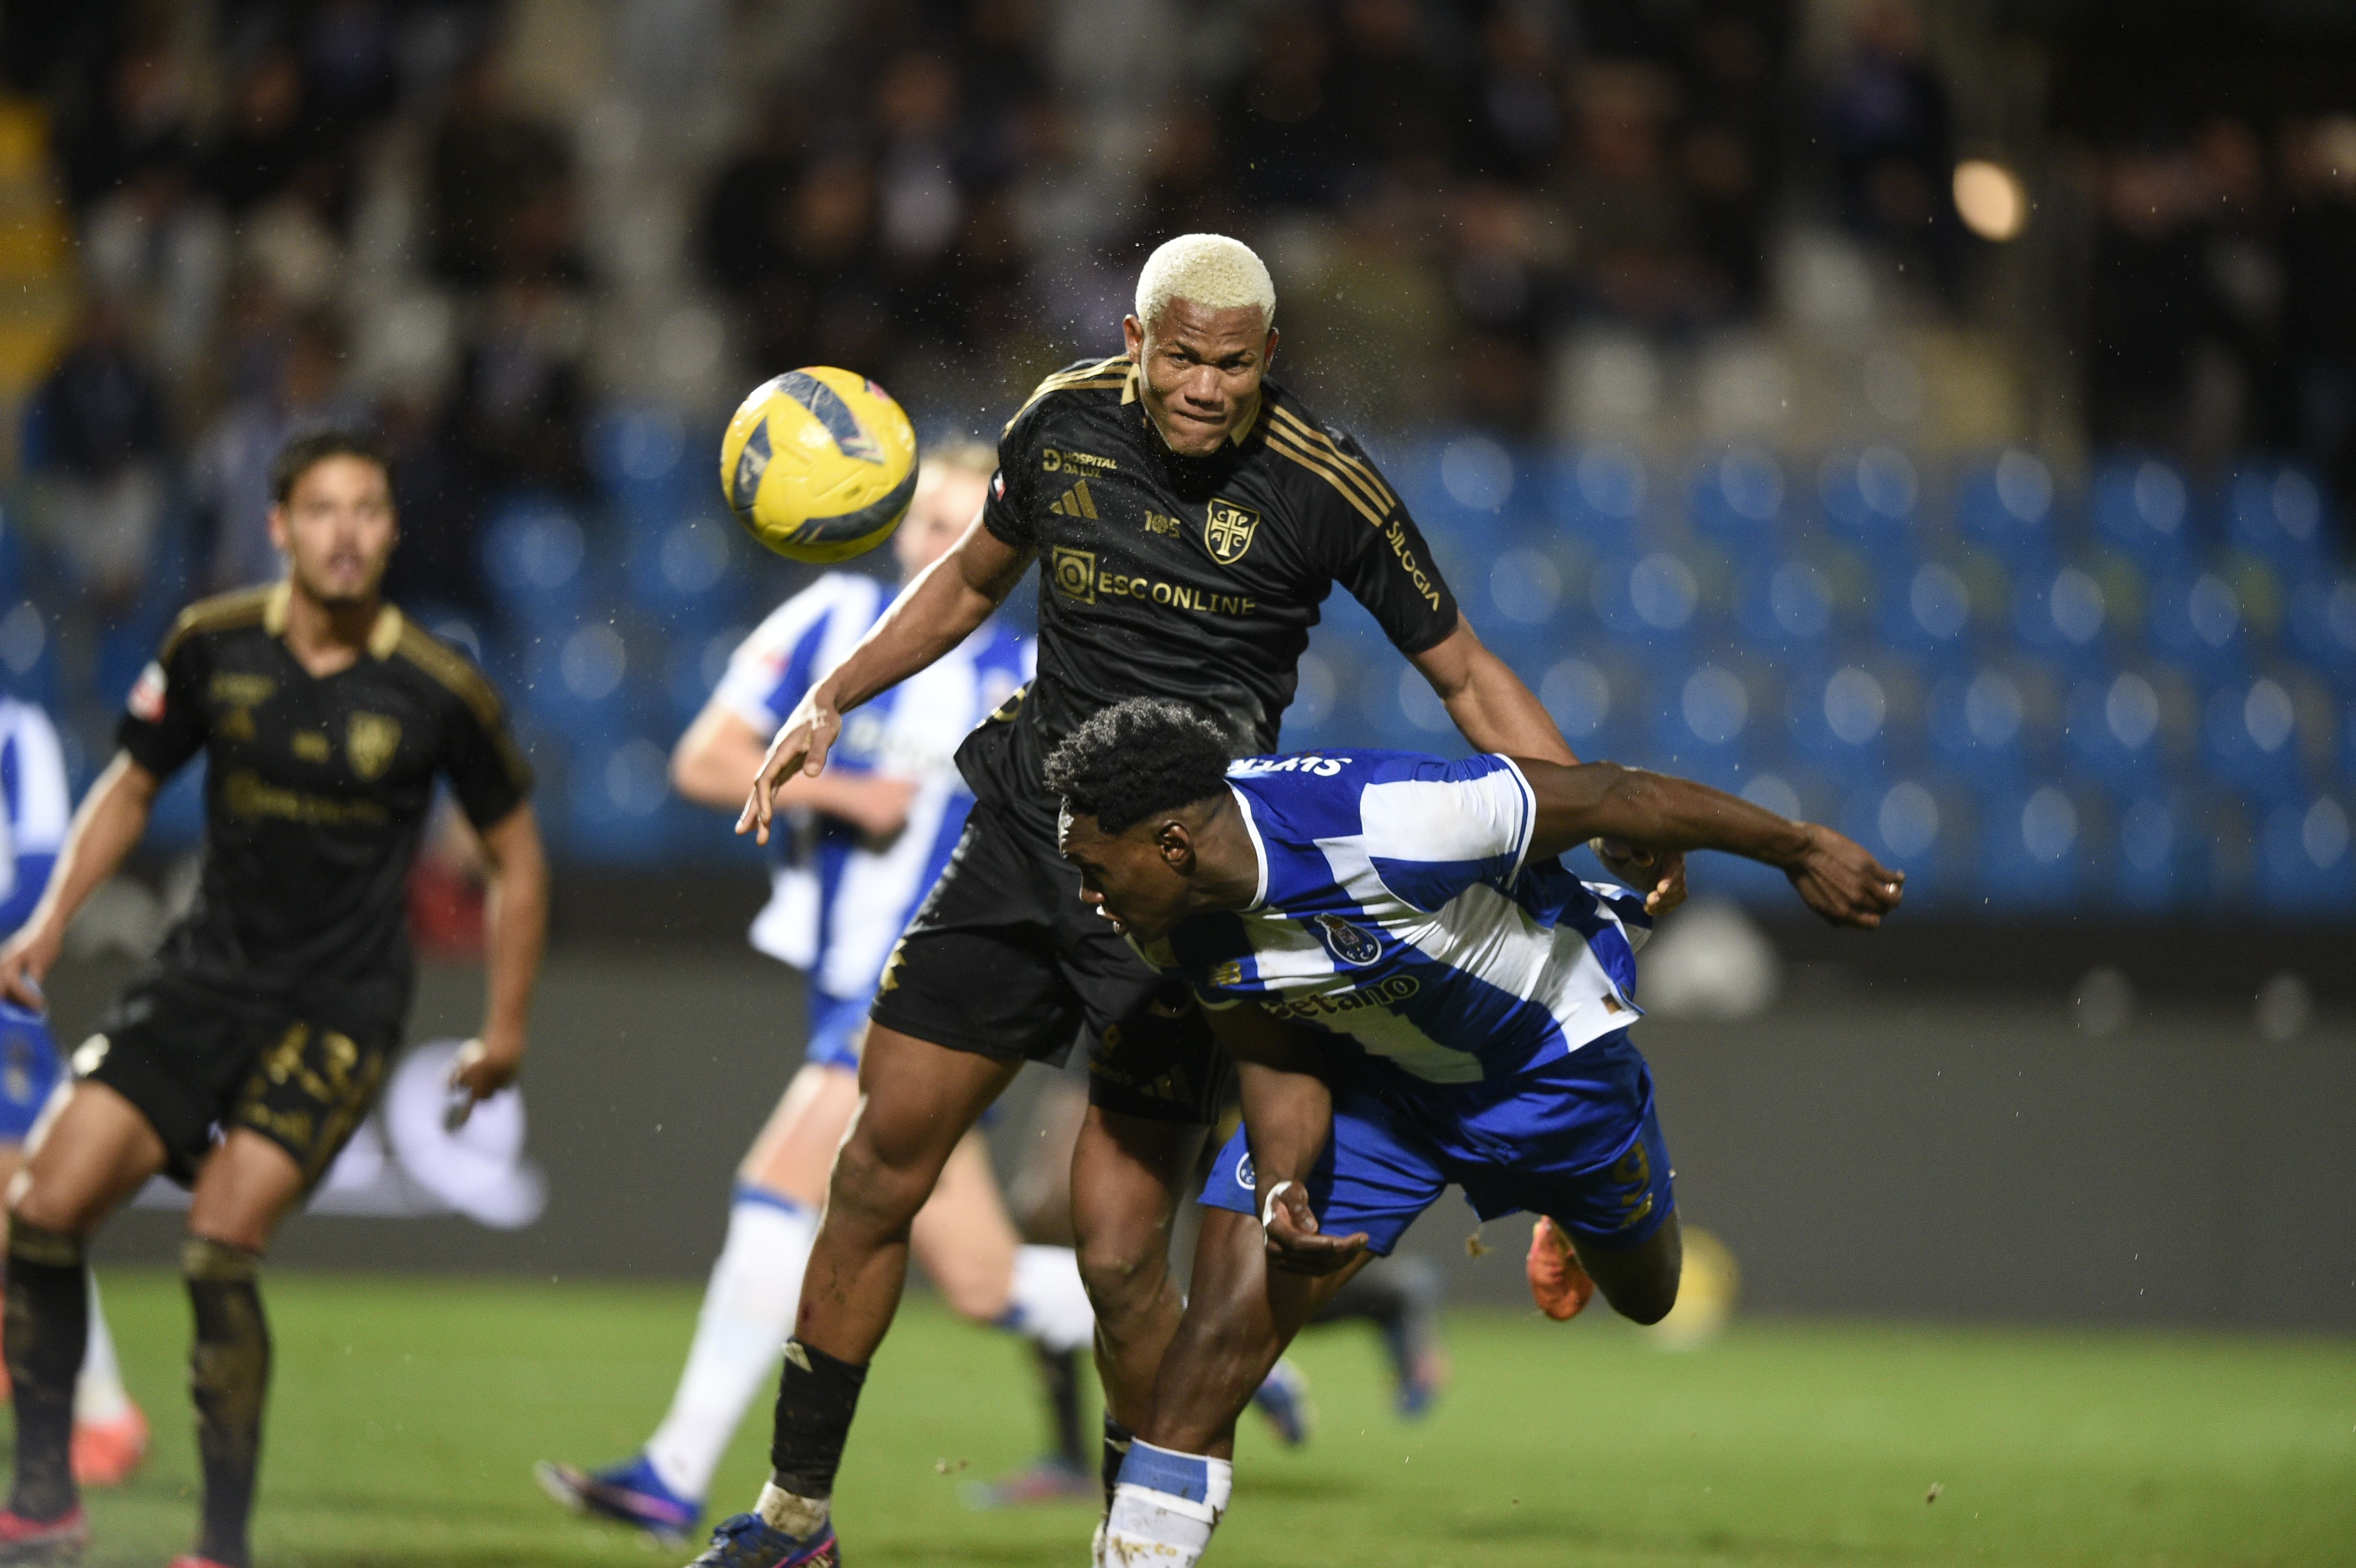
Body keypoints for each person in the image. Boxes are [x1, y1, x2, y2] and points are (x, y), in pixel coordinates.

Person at [687, 232, 1686, 1568]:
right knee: (876, 1172)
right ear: (1137, 338)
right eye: (1182, 357)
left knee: (1113, 1256)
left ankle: (1133, 1540)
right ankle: (794, 1524)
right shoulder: (1059, 425)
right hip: (1020, 843)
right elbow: (974, 582)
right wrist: (831, 698)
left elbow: (1463, 675)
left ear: (1268, 359)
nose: (1205, 388)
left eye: (1232, 365)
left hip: (1176, 894)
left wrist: (1571, 829)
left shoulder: (1331, 488)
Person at [1039, 698, 1901, 1567]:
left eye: (1093, 869)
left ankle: (1566, 1218)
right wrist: (1281, 1184)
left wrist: (1797, 847)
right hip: (1379, 1091)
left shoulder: (1391, 820)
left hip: (1552, 1073)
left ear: (1173, 846)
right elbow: (1274, 1053)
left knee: (1648, 1296)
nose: (1088, 897)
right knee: (1212, 1348)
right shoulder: (1167, 927)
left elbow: (1610, 794)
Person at [536, 446, 1109, 1539]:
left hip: (926, 989)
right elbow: (706, 759)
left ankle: (675, 1468)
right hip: (842, 983)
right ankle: (1203, 1336)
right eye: (924, 515)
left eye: (965, 518)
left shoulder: (1029, 672)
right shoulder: (833, 618)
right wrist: (851, 788)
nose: (937, 536)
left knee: (776, 1185)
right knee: (987, 1284)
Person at [0, 429, 548, 1568]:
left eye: (365, 512)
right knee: (42, 1210)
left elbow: (518, 856)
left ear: (392, 532)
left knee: (217, 1247)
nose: (343, 534)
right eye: (320, 511)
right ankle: (44, 1497)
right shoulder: (211, 645)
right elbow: (133, 781)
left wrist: (503, 1027)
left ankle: (219, 1544)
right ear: (279, 526)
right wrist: (49, 922)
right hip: (199, 982)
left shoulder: (440, 686)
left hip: (338, 1009)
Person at [0, 696, 150, 1487]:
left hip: (0, 1001)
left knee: (23, 1203)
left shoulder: (17, 731)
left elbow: (40, 873)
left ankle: (103, 1409)